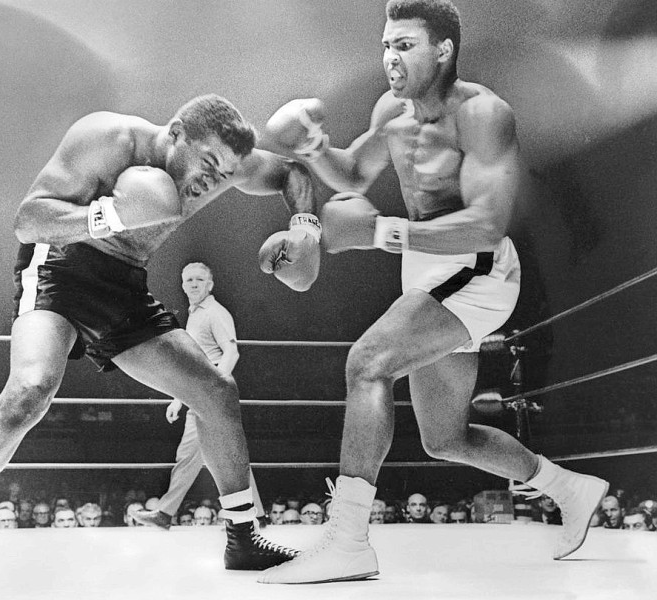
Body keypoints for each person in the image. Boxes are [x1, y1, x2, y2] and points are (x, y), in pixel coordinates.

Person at [0, 93, 319, 596]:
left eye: (224, 173)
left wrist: (305, 229)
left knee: (216, 392)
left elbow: (292, 174)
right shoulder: (108, 138)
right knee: (29, 391)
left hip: (124, 286)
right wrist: (107, 216)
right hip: (59, 269)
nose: (211, 181)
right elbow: (28, 220)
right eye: (206, 164)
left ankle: (244, 538)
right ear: (176, 133)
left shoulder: (223, 167)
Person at [257, 0, 609, 584]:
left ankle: (348, 540)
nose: (390, 58)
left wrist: (378, 232)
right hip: (427, 272)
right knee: (446, 437)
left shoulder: (483, 114)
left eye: (405, 45)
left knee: (368, 361)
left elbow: (487, 223)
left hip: (478, 271)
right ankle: (567, 487)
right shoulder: (390, 110)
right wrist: (316, 148)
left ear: (443, 49)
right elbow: (354, 174)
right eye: (386, 46)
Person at [134, 262, 266, 530]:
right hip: (201, 394)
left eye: (199, 279)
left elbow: (231, 353)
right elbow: (193, 366)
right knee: (226, 454)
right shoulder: (195, 314)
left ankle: (164, 513)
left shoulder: (215, 313)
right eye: (189, 280)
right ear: (183, 285)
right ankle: (257, 514)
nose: (193, 284)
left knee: (192, 454)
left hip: (208, 394)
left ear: (210, 284)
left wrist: (214, 388)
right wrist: (179, 399)